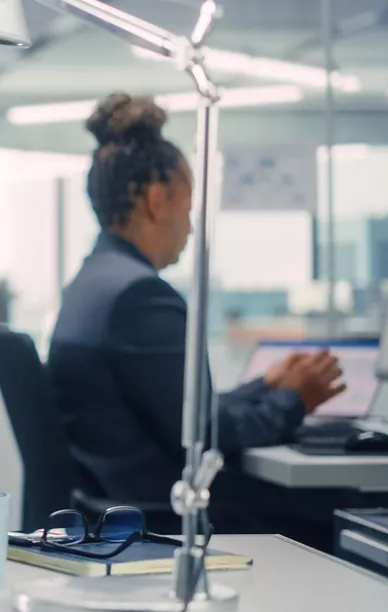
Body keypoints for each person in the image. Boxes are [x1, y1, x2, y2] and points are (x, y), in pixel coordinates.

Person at [46, 93, 348, 546]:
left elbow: (181, 412)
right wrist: (295, 400)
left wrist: (265, 387)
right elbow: (205, 438)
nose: (190, 227)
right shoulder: (139, 297)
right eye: (188, 208)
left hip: (114, 506)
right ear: (155, 200)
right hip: (168, 519)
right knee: (347, 510)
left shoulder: (94, 284)